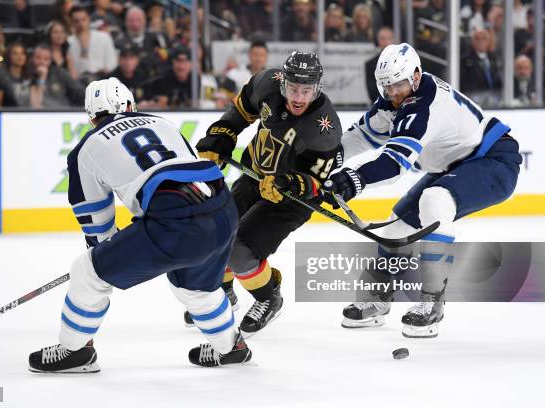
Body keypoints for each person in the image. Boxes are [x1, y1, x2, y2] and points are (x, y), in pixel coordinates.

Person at [28, 78, 251, 372]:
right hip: (223, 207)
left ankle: (75, 351)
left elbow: (97, 223)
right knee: (195, 287)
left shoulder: (87, 148)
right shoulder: (162, 122)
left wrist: (105, 252)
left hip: (177, 223)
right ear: (131, 105)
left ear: (92, 117)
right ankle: (230, 348)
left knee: (87, 271)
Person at [325, 43, 521, 337]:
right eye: (387, 87)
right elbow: (358, 139)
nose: (393, 94)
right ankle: (378, 300)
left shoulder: (424, 105)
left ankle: (432, 303)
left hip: (494, 160)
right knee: (394, 230)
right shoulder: (395, 98)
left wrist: (351, 180)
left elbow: (393, 166)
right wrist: (319, 165)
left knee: (435, 200)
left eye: (399, 85)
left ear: (416, 76)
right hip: (457, 165)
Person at [191, 52, 343, 336]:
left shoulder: (325, 129)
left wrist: (288, 184)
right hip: (253, 176)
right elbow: (241, 111)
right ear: (283, 82)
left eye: (306, 90)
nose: (298, 97)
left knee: (238, 250)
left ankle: (269, 296)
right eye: (293, 88)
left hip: (291, 200)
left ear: (317, 88)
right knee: (216, 231)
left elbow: (315, 184)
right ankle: (223, 291)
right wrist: (221, 136)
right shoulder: (267, 84)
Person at [67, 5, 117, 82]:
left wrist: (103, 72)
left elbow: (112, 63)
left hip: (103, 79)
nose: (81, 23)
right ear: (71, 22)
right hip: (81, 82)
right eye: (76, 21)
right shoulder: (68, 42)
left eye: (83, 19)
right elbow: (75, 70)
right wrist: (84, 47)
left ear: (89, 19)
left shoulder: (104, 37)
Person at [29, 43, 84, 108]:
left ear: (51, 60)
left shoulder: (61, 74)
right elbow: (35, 105)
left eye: (46, 59)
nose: (42, 62)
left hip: (61, 114)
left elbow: (79, 93)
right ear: (32, 58)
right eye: (38, 58)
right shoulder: (26, 75)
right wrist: (42, 79)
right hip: (35, 115)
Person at [364, 26, 394, 102]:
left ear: (393, 40)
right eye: (383, 39)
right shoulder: (370, 65)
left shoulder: (404, 61)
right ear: (378, 41)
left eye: (389, 38)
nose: (386, 42)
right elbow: (372, 93)